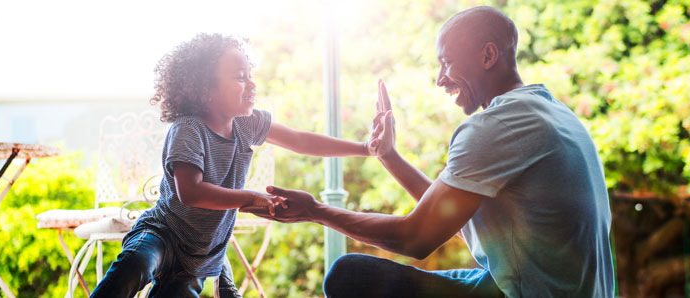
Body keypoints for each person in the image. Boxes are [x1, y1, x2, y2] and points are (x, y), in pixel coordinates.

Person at [251, 6, 615, 298]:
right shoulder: (547, 111)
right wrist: (388, 156)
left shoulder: (498, 125)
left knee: (349, 276)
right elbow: (449, 215)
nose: (440, 78)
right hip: (548, 285)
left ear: (488, 55)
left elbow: (416, 238)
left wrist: (315, 210)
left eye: (446, 63)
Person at [89, 33, 383, 298]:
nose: (252, 83)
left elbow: (301, 141)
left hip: (200, 256)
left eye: (250, 74)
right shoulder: (189, 130)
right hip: (162, 234)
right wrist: (252, 197)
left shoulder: (248, 124)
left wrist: (364, 148)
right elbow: (190, 192)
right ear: (206, 89)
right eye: (240, 77)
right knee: (135, 265)